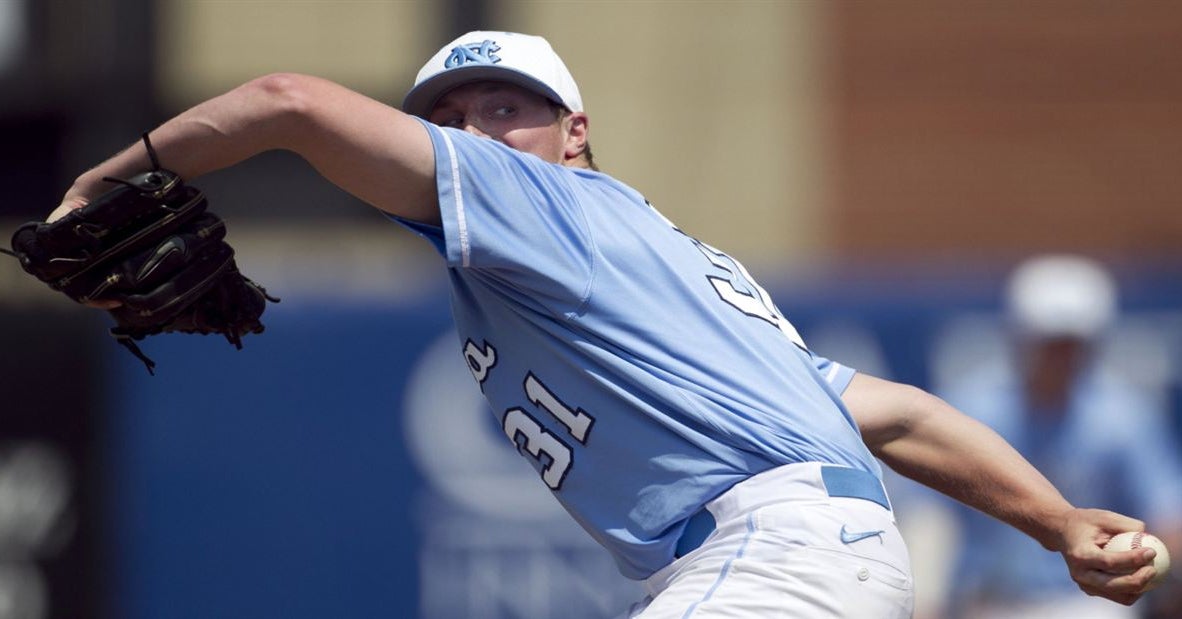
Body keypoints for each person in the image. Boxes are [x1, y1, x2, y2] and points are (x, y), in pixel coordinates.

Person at [49, 31, 1162, 617]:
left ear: (575, 131)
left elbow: (288, 100)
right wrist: (1056, 519)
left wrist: (104, 181)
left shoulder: (542, 208)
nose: (471, 129)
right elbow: (902, 416)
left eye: (503, 107)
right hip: (796, 558)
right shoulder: (656, 265)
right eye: (445, 115)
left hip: (772, 557)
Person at [926, 255, 1182, 619]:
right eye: (1049, 342)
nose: (1061, 356)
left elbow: (1167, 511)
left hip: (1088, 604)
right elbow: (927, 512)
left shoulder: (1122, 415)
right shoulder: (971, 409)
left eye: (1072, 342)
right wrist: (926, 593)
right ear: (1020, 338)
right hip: (988, 602)